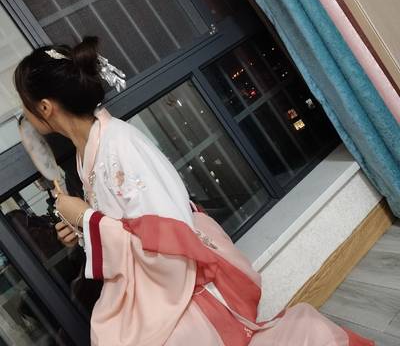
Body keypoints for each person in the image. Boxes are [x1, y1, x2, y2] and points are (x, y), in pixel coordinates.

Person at [14, 37, 374, 346]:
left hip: (182, 283)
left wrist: (86, 217)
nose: (26, 113)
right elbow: (122, 222)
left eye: (25, 104)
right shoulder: (85, 155)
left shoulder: (121, 144)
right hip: (151, 287)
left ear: (45, 107)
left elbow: (170, 238)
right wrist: (82, 230)